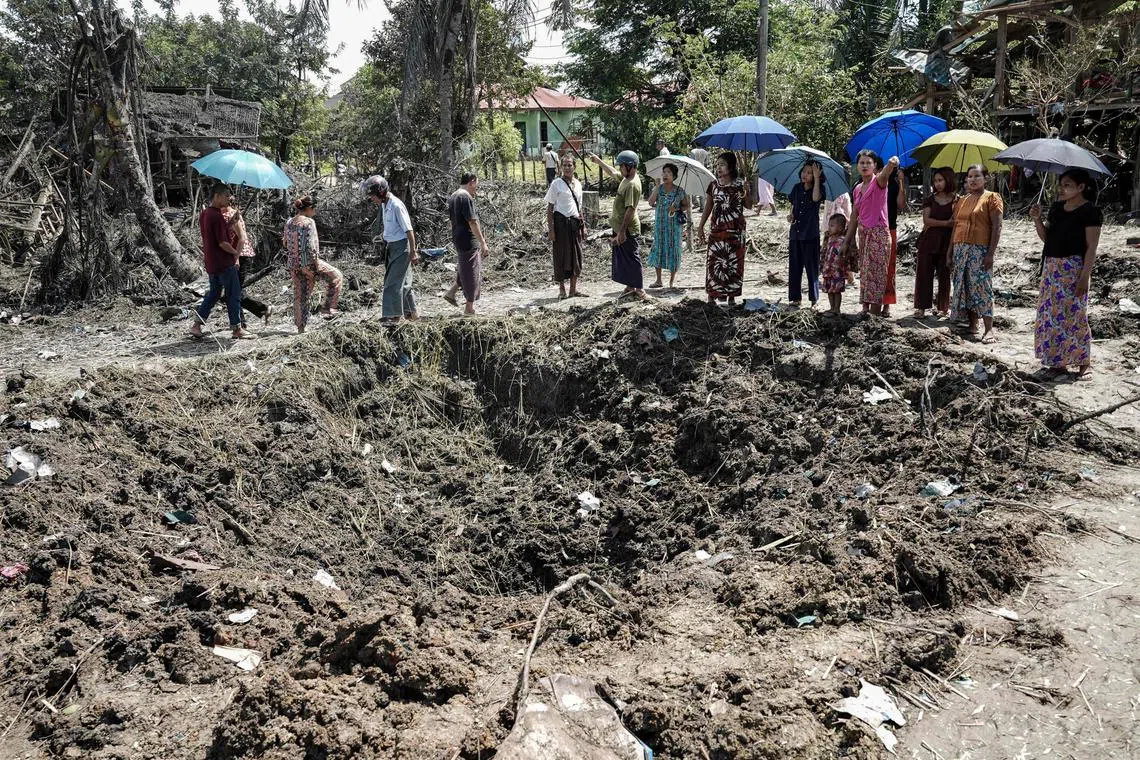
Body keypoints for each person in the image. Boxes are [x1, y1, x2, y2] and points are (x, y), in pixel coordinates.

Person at [1031, 168, 1101, 381]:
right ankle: (1057, 362)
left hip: (1073, 268)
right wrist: (1037, 220)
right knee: (1050, 316)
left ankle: (1083, 362)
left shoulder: (1091, 212)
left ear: (1081, 187)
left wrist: (1084, 276)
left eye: (1067, 185)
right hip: (1052, 267)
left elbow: (1091, 247)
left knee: (1076, 314)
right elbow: (1047, 238)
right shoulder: (1056, 208)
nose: (1062, 188)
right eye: (1061, 184)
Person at [949, 164, 1003, 344]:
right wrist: (950, 252)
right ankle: (972, 324)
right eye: (969, 176)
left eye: (977, 176)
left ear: (986, 179)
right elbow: (956, 226)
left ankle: (989, 329)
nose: (972, 180)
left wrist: (990, 254)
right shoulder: (962, 200)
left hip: (979, 250)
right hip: (960, 249)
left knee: (982, 287)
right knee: (965, 286)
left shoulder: (992, 198)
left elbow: (997, 226)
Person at [842, 149, 898, 316]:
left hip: (879, 234)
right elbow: (854, 216)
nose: (865, 165)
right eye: (862, 163)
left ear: (875, 166)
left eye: (868, 163)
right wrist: (846, 241)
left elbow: (885, 174)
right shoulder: (857, 188)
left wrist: (891, 163)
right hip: (864, 235)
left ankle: (875, 316)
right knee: (866, 273)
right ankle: (867, 311)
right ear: (857, 166)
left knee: (877, 275)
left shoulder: (879, 182)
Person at [191, 184, 250, 340]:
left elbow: (214, 233)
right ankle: (237, 329)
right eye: (225, 196)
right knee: (233, 294)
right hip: (224, 262)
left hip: (211, 261)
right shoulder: (216, 215)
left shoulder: (205, 214)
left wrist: (231, 223)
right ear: (217, 196)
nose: (228, 199)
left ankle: (197, 325)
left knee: (214, 294)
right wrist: (236, 254)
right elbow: (223, 243)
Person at [588, 150, 646, 299]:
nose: (620, 169)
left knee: (632, 259)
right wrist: (599, 162)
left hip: (627, 228)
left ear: (630, 166)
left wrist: (622, 232)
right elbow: (612, 172)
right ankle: (630, 286)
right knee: (624, 259)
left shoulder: (632, 184)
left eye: (622, 166)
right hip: (620, 227)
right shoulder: (626, 179)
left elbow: (630, 210)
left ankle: (639, 290)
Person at [282, 195, 343, 334]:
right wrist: (315, 265)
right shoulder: (309, 222)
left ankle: (300, 328)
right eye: (314, 209)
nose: (315, 212)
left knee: (301, 295)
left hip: (293, 265)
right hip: (309, 263)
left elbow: (285, 242)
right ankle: (328, 308)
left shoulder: (289, 222)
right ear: (309, 208)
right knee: (336, 276)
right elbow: (312, 246)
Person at [698, 152, 752, 304]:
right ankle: (712, 296)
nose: (718, 168)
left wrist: (747, 191)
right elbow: (708, 207)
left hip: (736, 232)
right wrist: (701, 226)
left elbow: (749, 205)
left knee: (734, 264)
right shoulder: (713, 185)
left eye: (722, 164)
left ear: (731, 166)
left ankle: (731, 297)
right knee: (714, 262)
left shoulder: (740, 185)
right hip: (717, 231)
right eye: (717, 165)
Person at [367, 178, 419, 324]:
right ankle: (411, 314)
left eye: (373, 195)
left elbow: (409, 230)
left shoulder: (396, 205)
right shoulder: (385, 205)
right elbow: (392, 227)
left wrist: (413, 251)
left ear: (381, 192)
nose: (372, 198)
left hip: (402, 247)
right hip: (392, 246)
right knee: (405, 282)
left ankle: (393, 316)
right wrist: (382, 236)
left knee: (392, 283)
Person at [913, 167, 957, 319]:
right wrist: (946, 223)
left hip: (947, 243)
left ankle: (943, 308)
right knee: (924, 275)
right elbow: (927, 220)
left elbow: (956, 222)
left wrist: (950, 223)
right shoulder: (930, 199)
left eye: (941, 180)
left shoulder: (957, 200)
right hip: (928, 241)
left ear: (948, 180)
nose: (937, 184)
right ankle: (921, 307)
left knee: (944, 275)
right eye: (935, 181)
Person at [444, 172, 491, 314]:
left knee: (465, 267)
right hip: (468, 239)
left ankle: (451, 292)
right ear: (472, 182)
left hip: (458, 237)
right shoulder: (465, 197)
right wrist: (483, 242)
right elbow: (472, 221)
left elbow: (451, 221)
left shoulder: (453, 196)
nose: (476, 187)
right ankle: (469, 307)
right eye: (476, 184)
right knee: (472, 271)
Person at [222, 201, 272, 327]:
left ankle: (242, 322)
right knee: (234, 291)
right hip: (235, 255)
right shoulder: (228, 215)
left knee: (233, 292)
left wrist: (236, 257)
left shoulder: (231, 215)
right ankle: (261, 311)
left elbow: (241, 238)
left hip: (239, 256)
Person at [545, 153, 588, 299]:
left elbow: (579, 207)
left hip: (574, 224)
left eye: (570, 165)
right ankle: (562, 289)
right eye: (564, 165)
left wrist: (584, 226)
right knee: (561, 256)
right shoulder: (556, 184)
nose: (567, 168)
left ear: (575, 167)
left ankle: (573, 290)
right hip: (560, 225)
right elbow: (550, 208)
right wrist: (551, 230)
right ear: (561, 167)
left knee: (576, 257)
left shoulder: (578, 184)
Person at [787, 161, 824, 308]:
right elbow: (793, 205)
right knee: (795, 267)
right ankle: (795, 298)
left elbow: (815, 198)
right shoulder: (796, 188)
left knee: (811, 267)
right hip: (795, 233)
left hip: (810, 234)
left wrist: (816, 179)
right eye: (804, 171)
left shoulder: (819, 188)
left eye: (809, 172)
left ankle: (814, 299)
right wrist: (790, 216)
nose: (805, 174)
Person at [647, 163, 688, 289]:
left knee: (674, 250)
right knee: (658, 248)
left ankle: (671, 281)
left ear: (674, 176)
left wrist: (676, 208)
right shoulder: (659, 189)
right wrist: (656, 188)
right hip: (660, 225)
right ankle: (658, 280)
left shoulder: (680, 191)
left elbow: (686, 206)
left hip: (674, 226)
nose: (665, 174)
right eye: (664, 172)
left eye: (669, 172)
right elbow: (650, 202)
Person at [882, 164, 908, 317]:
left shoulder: (894, 185)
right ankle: (871, 303)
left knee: (889, 268)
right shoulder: (870, 184)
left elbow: (901, 204)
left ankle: (887, 304)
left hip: (890, 228)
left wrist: (902, 182)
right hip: (872, 229)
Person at [819, 213, 849, 316]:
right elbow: (824, 253)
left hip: (837, 271)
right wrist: (822, 265)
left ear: (840, 228)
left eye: (832, 226)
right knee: (829, 290)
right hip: (828, 269)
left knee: (836, 291)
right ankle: (831, 307)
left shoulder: (842, 241)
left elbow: (845, 256)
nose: (829, 228)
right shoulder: (828, 239)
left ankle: (837, 308)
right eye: (829, 225)